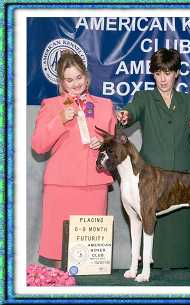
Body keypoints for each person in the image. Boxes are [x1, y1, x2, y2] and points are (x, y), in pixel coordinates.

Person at [117, 48, 190, 269]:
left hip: (182, 183)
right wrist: (125, 115)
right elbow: (131, 111)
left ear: (177, 73)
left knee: (182, 261)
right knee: (154, 255)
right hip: (150, 183)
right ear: (153, 74)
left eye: (167, 73)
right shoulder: (144, 98)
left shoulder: (189, 102)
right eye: (158, 73)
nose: (162, 79)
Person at [32, 51, 117, 268]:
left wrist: (105, 145)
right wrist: (60, 120)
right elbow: (38, 145)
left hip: (95, 185)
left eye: (79, 77)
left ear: (86, 77)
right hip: (61, 186)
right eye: (69, 80)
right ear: (61, 83)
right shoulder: (51, 105)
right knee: (61, 252)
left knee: (90, 258)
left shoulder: (106, 105)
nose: (76, 83)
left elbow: (116, 148)